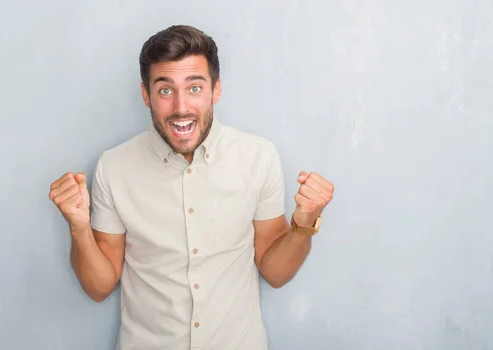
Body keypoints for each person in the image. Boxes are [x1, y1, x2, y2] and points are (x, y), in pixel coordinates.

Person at [49, 24, 335, 350]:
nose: (181, 107)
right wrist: (79, 228)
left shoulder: (259, 157)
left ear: (216, 89)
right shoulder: (113, 168)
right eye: (166, 90)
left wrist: (304, 224)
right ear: (146, 95)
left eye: (195, 88)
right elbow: (99, 287)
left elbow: (275, 272)